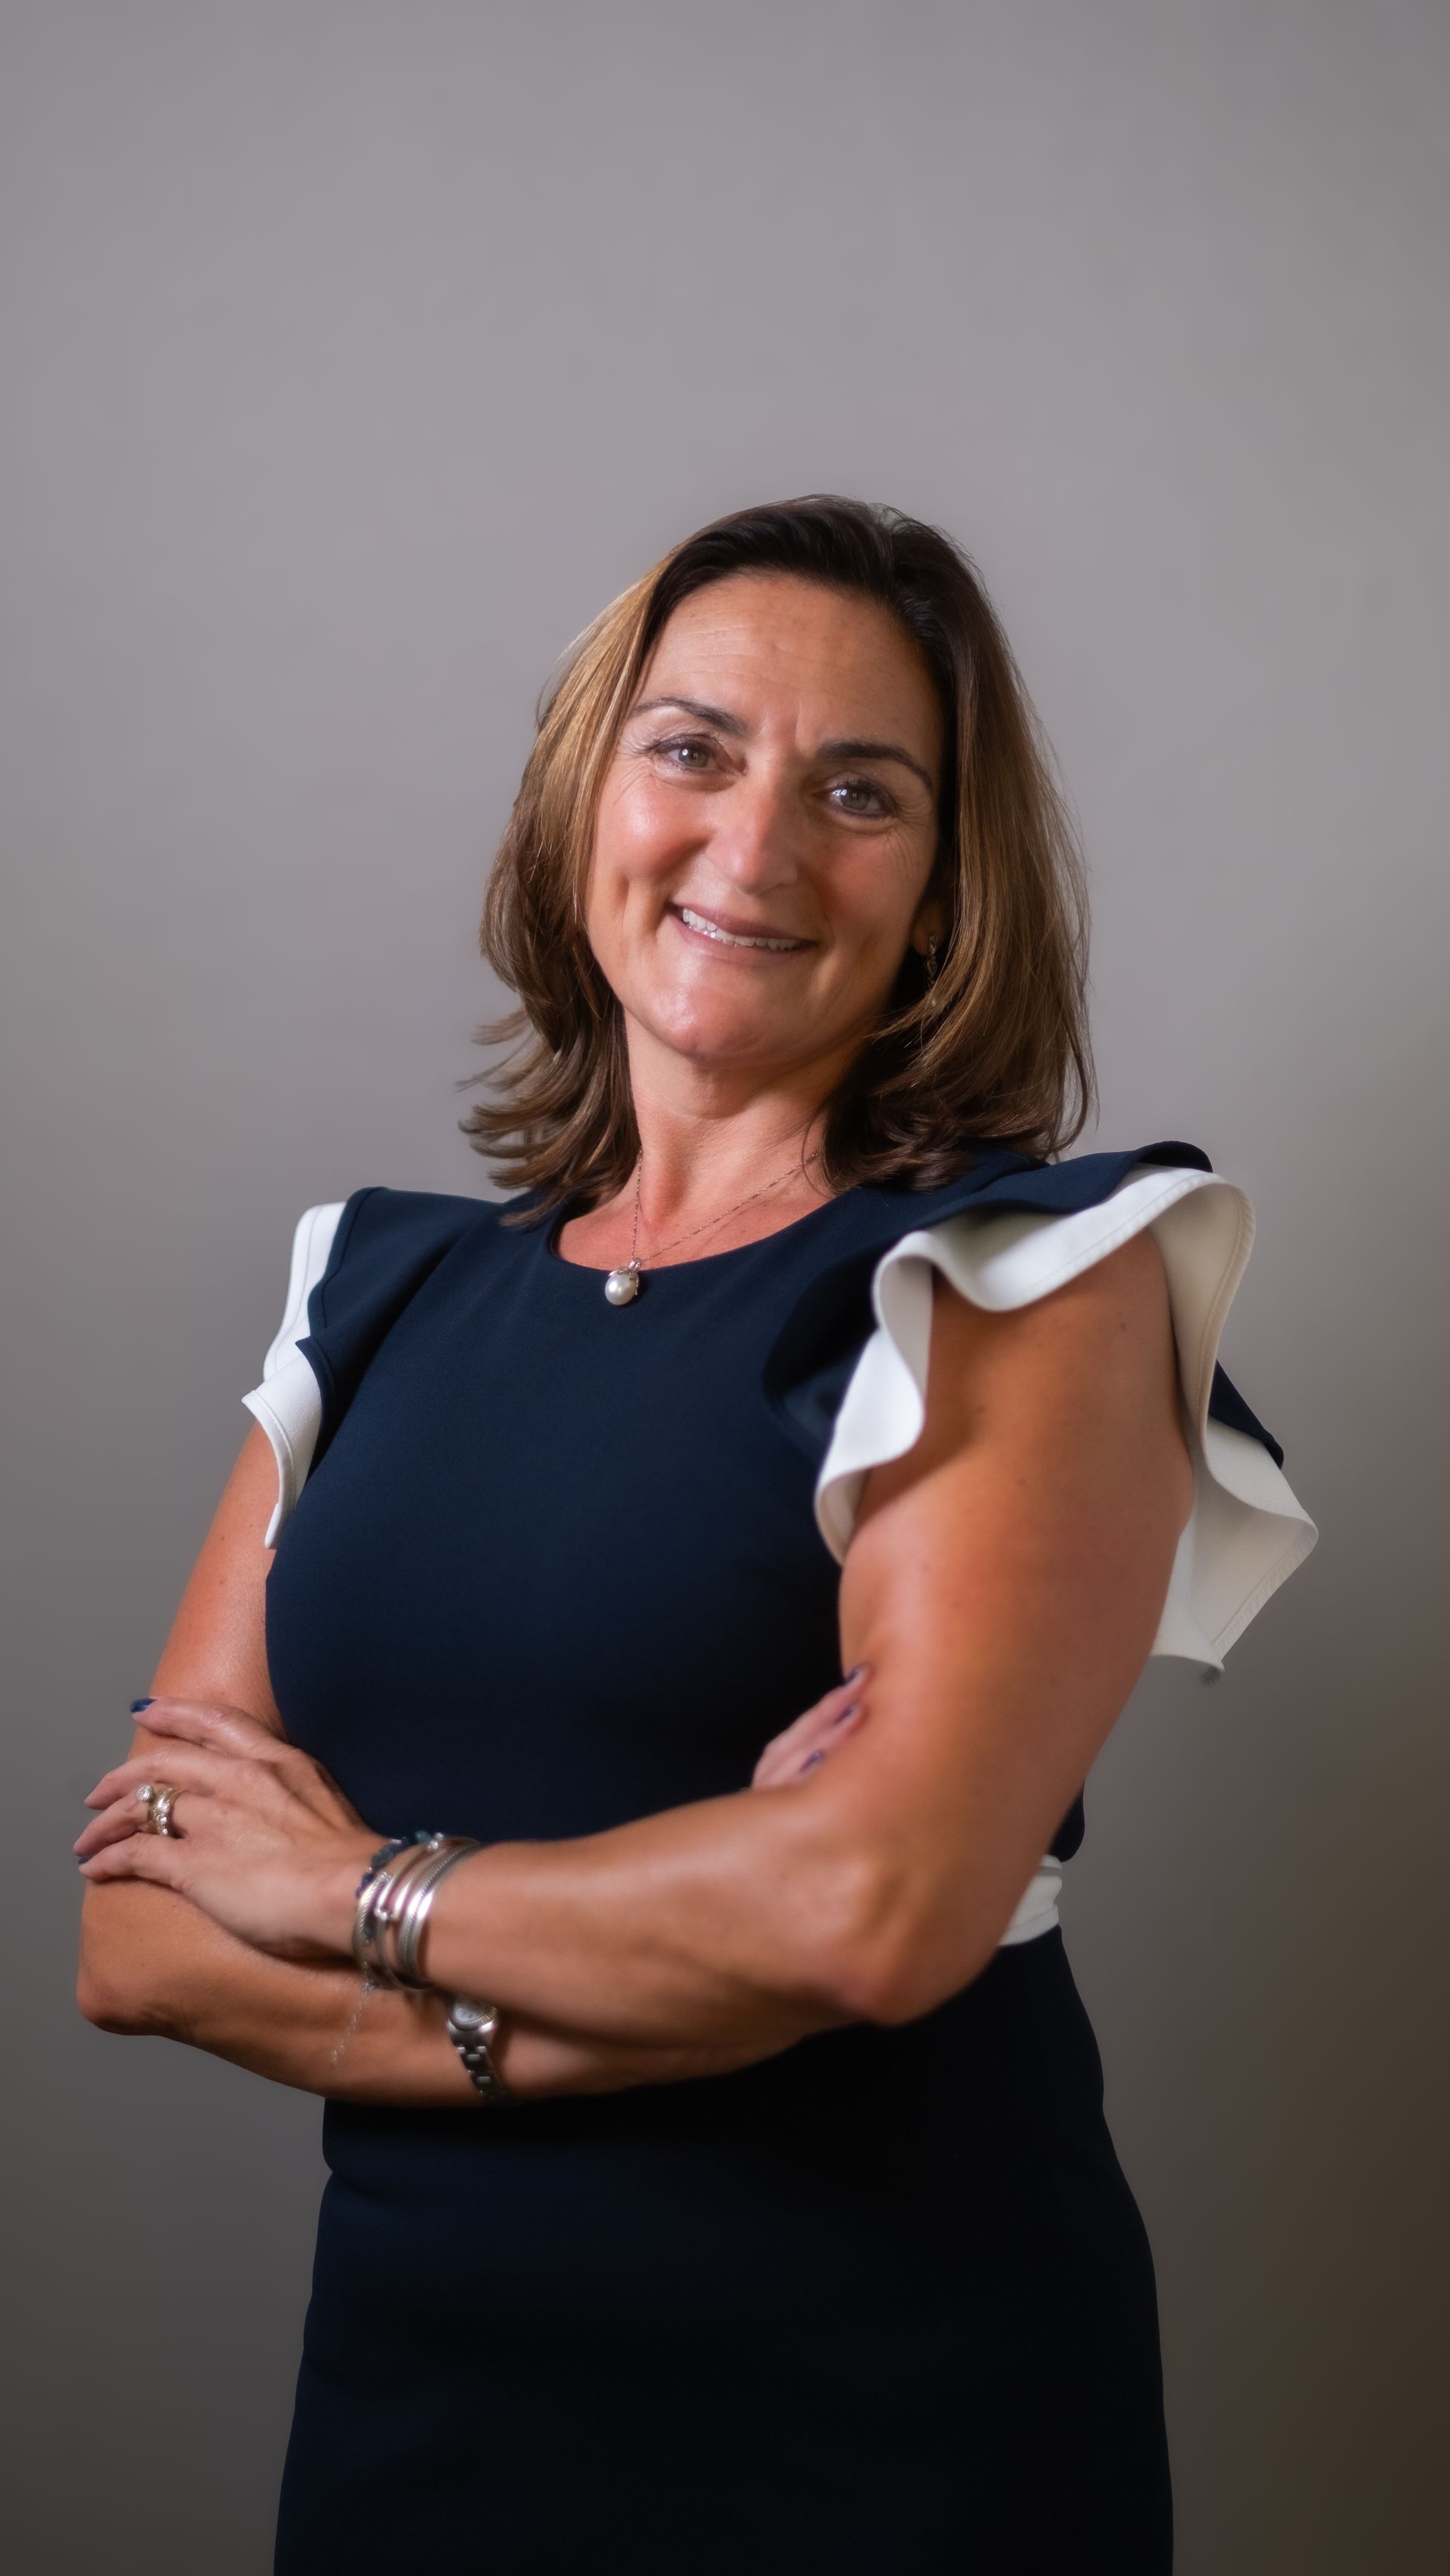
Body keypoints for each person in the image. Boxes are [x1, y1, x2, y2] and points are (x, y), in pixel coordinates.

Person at [76, 495, 1316, 2574]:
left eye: (862, 789)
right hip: (413, 2433)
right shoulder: (367, 1289)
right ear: (587, 800)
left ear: (942, 891)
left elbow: (873, 1908)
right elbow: (141, 1931)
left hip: (881, 2444)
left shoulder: (1024, 1276)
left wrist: (352, 1890)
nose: (756, 848)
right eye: (694, 749)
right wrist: (694, 1946)